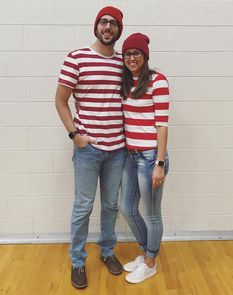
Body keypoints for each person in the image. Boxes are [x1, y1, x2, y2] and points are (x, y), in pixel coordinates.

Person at [55, 6, 125, 289]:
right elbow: (60, 100)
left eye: (113, 23)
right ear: (96, 26)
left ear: (119, 30)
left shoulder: (124, 62)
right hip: (88, 149)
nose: (108, 27)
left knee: (110, 205)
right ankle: (77, 260)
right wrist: (75, 135)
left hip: (117, 149)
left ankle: (107, 251)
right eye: (103, 22)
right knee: (83, 206)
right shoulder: (77, 58)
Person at [120, 33, 170, 284]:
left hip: (151, 157)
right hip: (131, 155)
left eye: (136, 53)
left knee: (151, 215)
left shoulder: (157, 81)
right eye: (127, 53)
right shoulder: (125, 82)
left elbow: (162, 125)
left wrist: (159, 164)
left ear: (145, 56)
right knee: (127, 208)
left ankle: (150, 262)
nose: (131, 58)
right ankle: (146, 252)